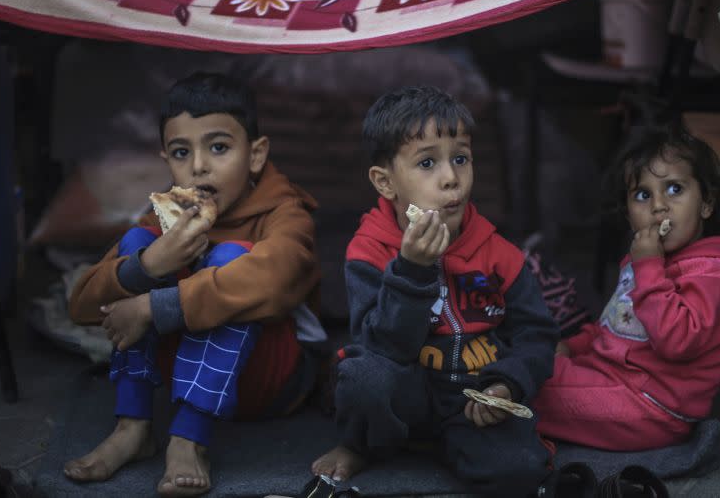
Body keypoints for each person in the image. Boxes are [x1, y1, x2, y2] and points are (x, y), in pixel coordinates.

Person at [63, 72, 325, 496]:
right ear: (165, 158)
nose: (199, 166)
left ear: (255, 155)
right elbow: (81, 306)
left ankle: (188, 439)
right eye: (182, 152)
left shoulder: (285, 214)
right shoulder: (167, 216)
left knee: (231, 260)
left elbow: (274, 285)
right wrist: (149, 266)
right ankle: (133, 427)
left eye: (219, 147)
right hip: (186, 375)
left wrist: (152, 306)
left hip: (272, 382)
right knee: (139, 245)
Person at [310, 85, 558, 497]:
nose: (451, 179)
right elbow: (380, 346)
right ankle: (363, 443)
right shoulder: (369, 250)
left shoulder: (500, 254)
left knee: (521, 470)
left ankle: (443, 443)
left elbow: (537, 337)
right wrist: (412, 271)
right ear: (385, 182)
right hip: (405, 389)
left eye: (460, 158)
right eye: (428, 163)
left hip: (471, 398)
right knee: (360, 377)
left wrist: (506, 385)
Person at [532, 130, 720, 451]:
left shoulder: (711, 271)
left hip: (650, 407)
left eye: (674, 189)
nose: (659, 206)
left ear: (706, 204)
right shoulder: (644, 259)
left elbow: (677, 341)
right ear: (628, 213)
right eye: (642, 195)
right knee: (533, 361)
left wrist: (648, 267)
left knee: (528, 378)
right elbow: (616, 325)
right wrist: (573, 345)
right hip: (616, 383)